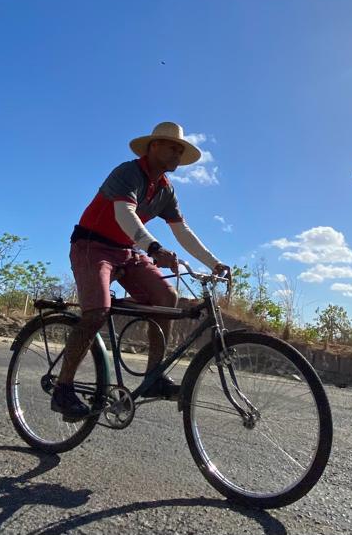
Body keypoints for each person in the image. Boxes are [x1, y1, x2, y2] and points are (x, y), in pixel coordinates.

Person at [52, 121, 231, 421]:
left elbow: (181, 230)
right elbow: (125, 213)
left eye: (181, 149)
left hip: (126, 251)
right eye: (172, 147)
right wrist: (153, 247)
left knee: (166, 296)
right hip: (91, 246)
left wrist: (213, 263)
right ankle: (63, 388)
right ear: (153, 146)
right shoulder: (128, 173)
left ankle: (153, 377)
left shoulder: (165, 190)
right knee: (97, 312)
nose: (177, 153)